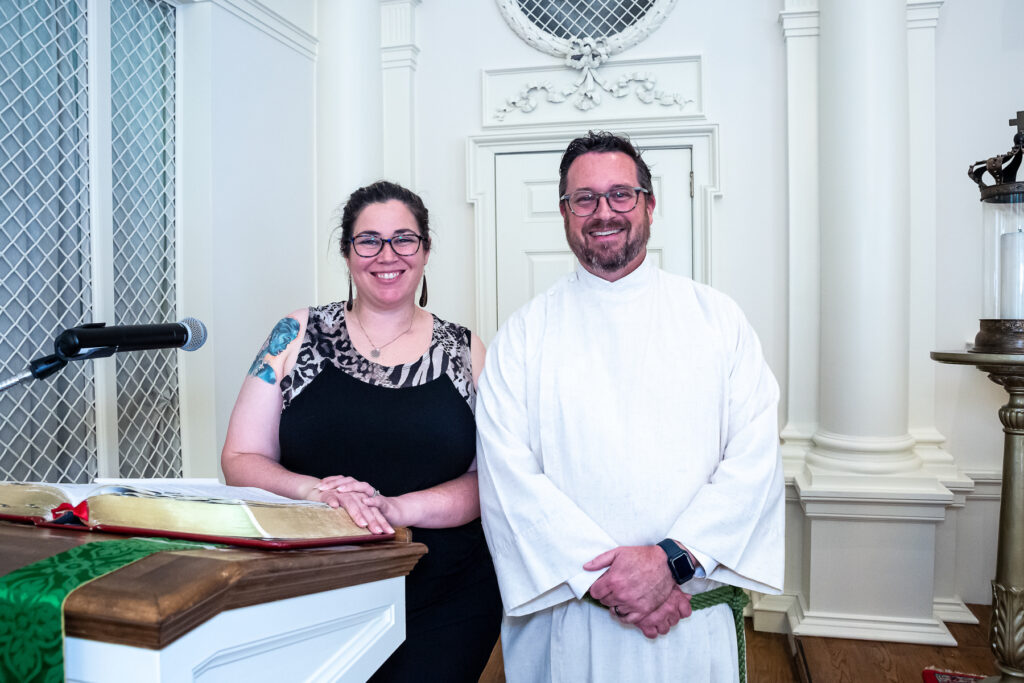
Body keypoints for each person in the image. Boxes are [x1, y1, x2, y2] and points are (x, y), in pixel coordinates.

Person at [475, 131, 784, 682]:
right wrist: (611, 581)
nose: (604, 212)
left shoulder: (717, 320)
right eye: (585, 199)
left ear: (649, 203)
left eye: (621, 194)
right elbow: (506, 477)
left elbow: (754, 457)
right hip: (572, 616)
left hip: (689, 611)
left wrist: (673, 561)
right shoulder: (523, 334)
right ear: (565, 212)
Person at [221, 180, 501, 682]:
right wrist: (317, 490)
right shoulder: (297, 333)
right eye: (368, 240)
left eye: (404, 239)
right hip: (311, 586)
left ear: (426, 250)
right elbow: (240, 457)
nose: (386, 254)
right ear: (348, 252)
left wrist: (393, 510)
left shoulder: (465, 351)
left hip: (447, 593)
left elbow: (490, 481)